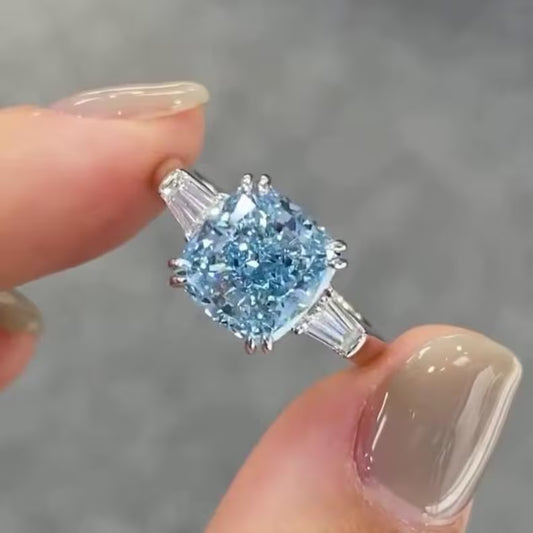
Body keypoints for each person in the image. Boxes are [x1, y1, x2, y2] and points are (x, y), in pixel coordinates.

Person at [0, 81, 522, 533]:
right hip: (296, 301)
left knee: (353, 339)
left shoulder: (224, 247)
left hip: (304, 298)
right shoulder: (214, 254)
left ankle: (357, 341)